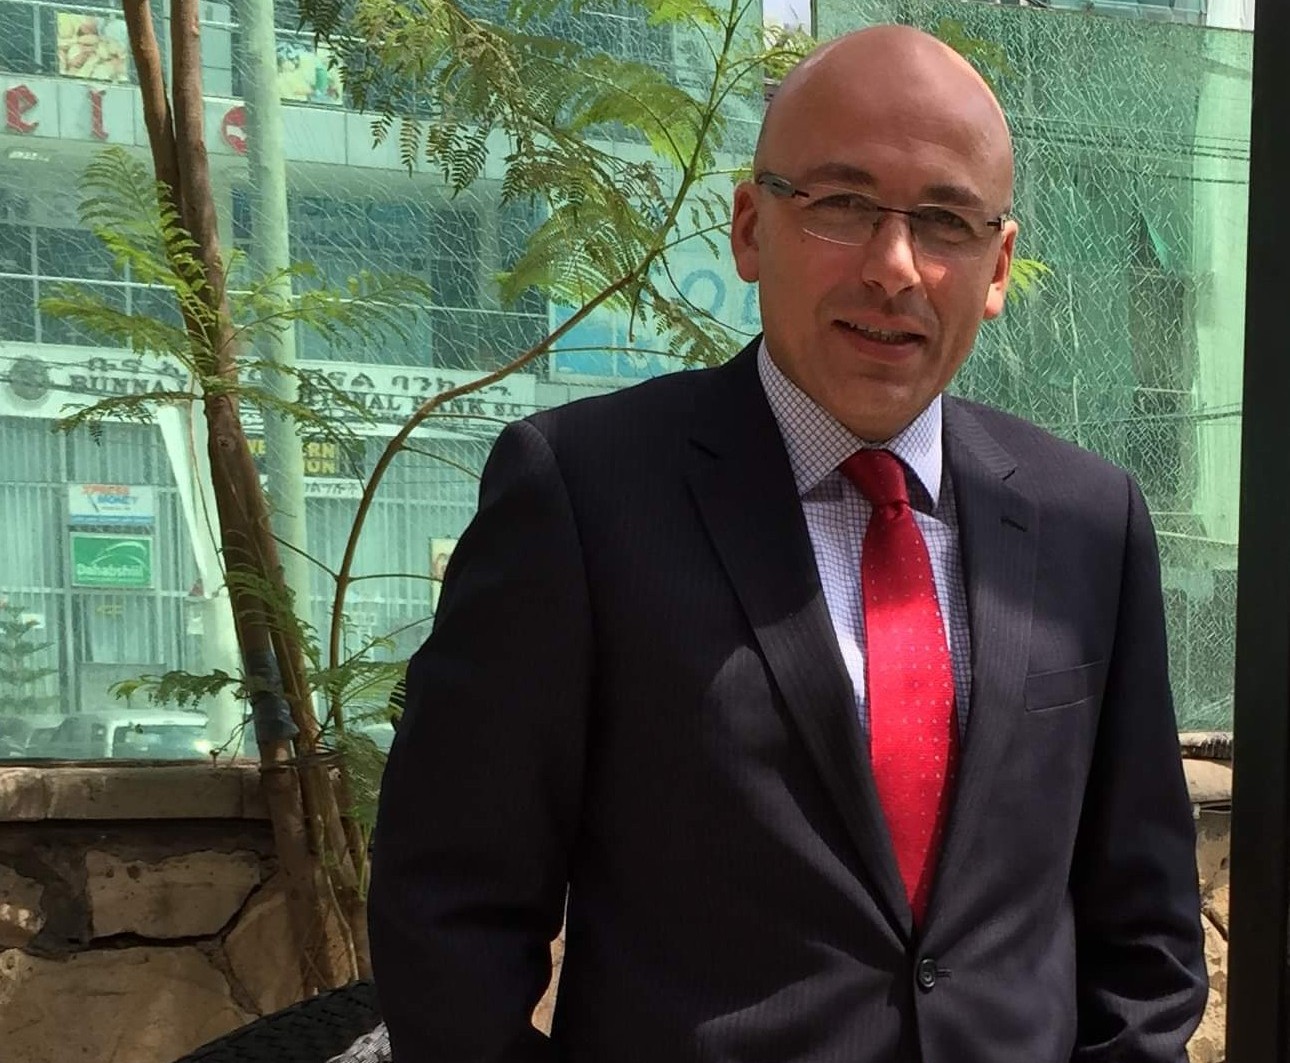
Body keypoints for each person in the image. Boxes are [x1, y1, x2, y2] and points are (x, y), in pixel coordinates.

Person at [369, 24, 1207, 1063]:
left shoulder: (1089, 520)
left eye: (944, 221)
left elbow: (1145, 923)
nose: (894, 267)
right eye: (843, 205)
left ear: (997, 267)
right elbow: (447, 910)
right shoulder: (582, 498)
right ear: (750, 227)